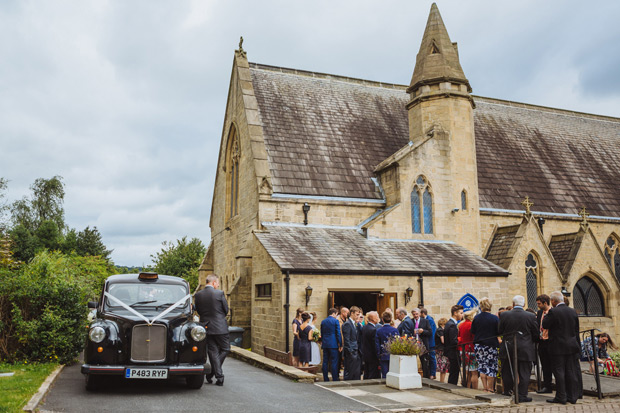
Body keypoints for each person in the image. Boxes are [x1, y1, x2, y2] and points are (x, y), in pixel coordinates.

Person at [498, 295, 539, 402]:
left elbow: (500, 331)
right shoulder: (530, 316)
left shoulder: (504, 315)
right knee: (524, 372)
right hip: (525, 347)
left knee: (507, 369)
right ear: (524, 305)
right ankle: (522, 395)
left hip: (508, 346)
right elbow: (536, 333)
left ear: (513, 304)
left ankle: (508, 391)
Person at [542, 291, 581, 405]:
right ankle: (572, 396)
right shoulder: (572, 311)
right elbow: (576, 329)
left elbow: (545, 324)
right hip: (571, 345)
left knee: (559, 371)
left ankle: (561, 396)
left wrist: (547, 315)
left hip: (558, 346)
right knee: (570, 371)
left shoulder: (553, 311)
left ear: (553, 301)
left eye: (551, 300)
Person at [194, 274, 230, 386]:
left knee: (213, 351)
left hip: (206, 326)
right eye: (218, 283)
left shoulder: (198, 295)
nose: (218, 285)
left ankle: (214, 375)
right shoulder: (219, 293)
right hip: (220, 327)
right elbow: (226, 310)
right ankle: (216, 374)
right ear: (214, 282)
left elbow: (198, 310)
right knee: (225, 348)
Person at [471, 297, 499, 393]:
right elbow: (498, 331)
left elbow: (473, 331)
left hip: (479, 345)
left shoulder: (477, 318)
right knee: (491, 367)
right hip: (491, 345)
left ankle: (485, 387)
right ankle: (491, 388)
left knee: (482, 367)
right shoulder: (494, 318)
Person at [535, 294, 553, 394]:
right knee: (545, 365)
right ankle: (547, 386)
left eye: (539, 304)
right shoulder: (539, 312)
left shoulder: (552, 312)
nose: (538, 305)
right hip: (542, 341)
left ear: (545, 303)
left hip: (550, 341)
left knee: (553, 365)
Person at [320, 308, 342, 381]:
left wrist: (323, 341)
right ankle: (335, 378)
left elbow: (322, 333)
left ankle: (325, 378)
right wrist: (340, 344)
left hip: (325, 343)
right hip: (333, 344)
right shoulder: (335, 321)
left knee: (325, 361)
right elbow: (338, 333)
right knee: (334, 362)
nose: (336, 316)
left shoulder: (323, 321)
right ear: (333, 313)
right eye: (336, 314)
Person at [458, 309, 478, 389]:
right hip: (471, 349)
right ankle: (475, 389)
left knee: (467, 371)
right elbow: (474, 337)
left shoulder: (461, 325)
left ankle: (467, 387)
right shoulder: (471, 325)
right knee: (474, 372)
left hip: (463, 350)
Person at [375, 311, 399, 378]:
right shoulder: (395, 330)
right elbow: (398, 343)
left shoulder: (379, 331)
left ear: (382, 320)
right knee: (393, 374)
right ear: (391, 320)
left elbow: (377, 345)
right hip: (393, 355)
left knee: (384, 375)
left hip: (383, 355)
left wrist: (378, 355)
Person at [445, 305, 464, 385]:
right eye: (461, 313)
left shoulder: (450, 323)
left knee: (453, 371)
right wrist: (460, 339)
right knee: (454, 371)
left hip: (451, 352)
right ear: (455, 313)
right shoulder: (452, 325)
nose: (462, 315)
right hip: (453, 352)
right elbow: (453, 340)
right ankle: (452, 386)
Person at [411, 308, 432, 378]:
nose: (415, 315)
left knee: (424, 362)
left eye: (416, 314)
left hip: (423, 344)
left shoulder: (425, 321)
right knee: (412, 362)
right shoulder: (410, 321)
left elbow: (430, 332)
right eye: (414, 314)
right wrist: (412, 332)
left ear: (419, 314)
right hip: (413, 345)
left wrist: (423, 331)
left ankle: (426, 377)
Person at [342, 306, 362, 380]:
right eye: (357, 314)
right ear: (352, 313)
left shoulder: (355, 324)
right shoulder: (347, 324)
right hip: (351, 352)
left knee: (355, 371)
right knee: (349, 371)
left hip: (356, 351)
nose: (358, 316)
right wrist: (350, 352)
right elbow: (347, 340)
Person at [361, 311, 380, 379]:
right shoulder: (373, 330)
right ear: (373, 319)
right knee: (372, 374)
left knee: (366, 372)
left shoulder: (364, 327)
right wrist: (378, 356)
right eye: (377, 317)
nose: (378, 318)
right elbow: (374, 345)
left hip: (365, 354)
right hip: (372, 356)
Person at [421, 308, 437, 379]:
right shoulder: (428, 319)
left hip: (431, 342)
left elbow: (431, 333)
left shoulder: (429, 320)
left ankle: (432, 374)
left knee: (432, 358)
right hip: (429, 342)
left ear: (423, 313)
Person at [435, 318, 449, 382]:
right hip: (441, 350)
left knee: (443, 368)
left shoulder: (439, 330)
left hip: (439, 350)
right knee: (443, 367)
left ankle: (442, 381)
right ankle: (442, 381)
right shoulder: (440, 330)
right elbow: (443, 340)